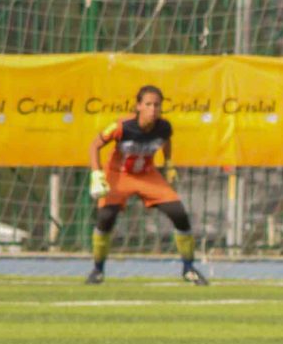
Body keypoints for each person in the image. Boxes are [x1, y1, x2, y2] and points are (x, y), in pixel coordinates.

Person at [86, 85, 207, 285]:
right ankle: (97, 270)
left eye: (157, 105)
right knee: (106, 217)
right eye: (148, 104)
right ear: (138, 106)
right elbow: (94, 145)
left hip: (147, 175)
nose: (153, 109)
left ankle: (189, 269)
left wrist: (168, 163)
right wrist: (97, 173)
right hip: (118, 174)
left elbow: (166, 141)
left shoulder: (164, 127)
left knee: (179, 213)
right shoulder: (122, 126)